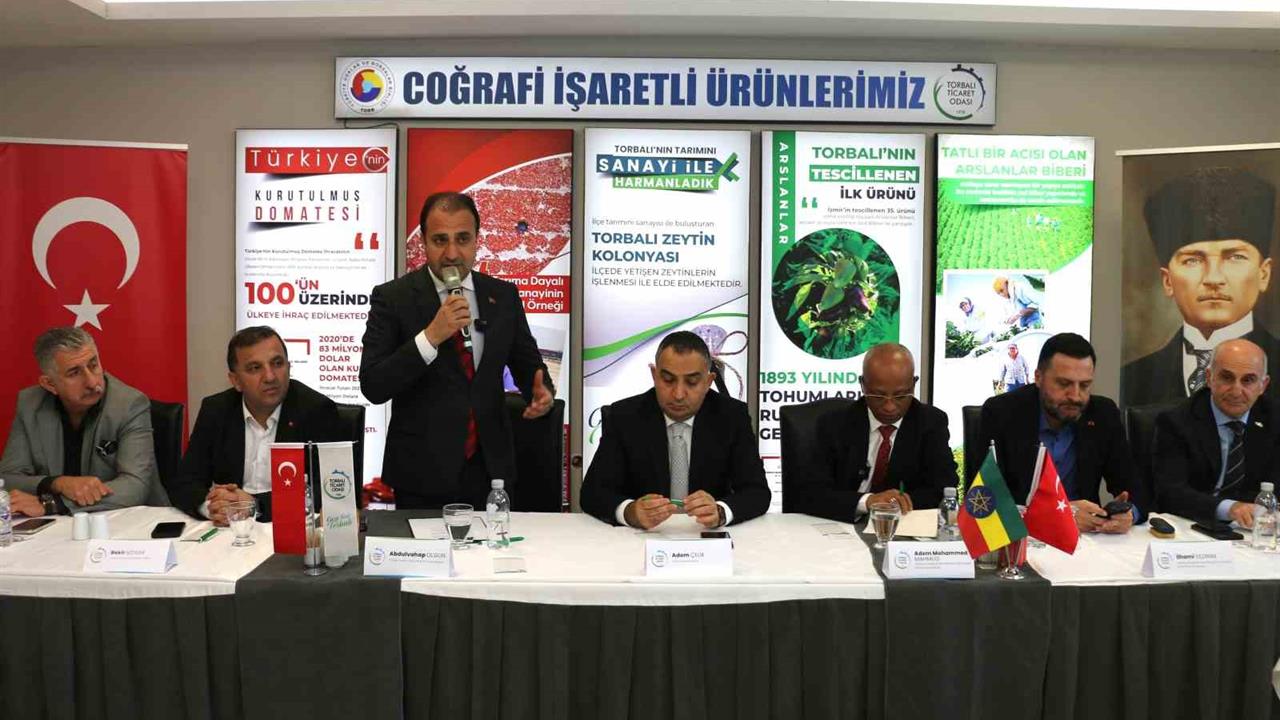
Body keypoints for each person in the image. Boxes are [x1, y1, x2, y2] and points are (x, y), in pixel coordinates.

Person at [360, 191, 554, 509]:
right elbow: (373, 385)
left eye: (462, 239)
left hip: (491, 472)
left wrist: (541, 391)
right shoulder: (393, 298)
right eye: (440, 240)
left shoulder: (503, 296)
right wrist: (430, 337)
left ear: (477, 239)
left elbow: (529, 366)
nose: (452, 253)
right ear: (423, 242)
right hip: (421, 475)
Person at [1121, 167, 1278, 407]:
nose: (1213, 278)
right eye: (1192, 260)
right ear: (1167, 280)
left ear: (1263, 274)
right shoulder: (1135, 379)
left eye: (1234, 257)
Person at [580, 331, 770, 529]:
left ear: (708, 382)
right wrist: (630, 512)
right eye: (668, 380)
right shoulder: (625, 416)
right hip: (643, 538)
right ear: (654, 376)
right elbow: (592, 493)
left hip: (705, 536)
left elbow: (757, 492)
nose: (678, 394)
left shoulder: (732, 417)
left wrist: (721, 512)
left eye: (692, 382)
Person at [970, 333, 1143, 533]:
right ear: (1038, 378)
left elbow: (1134, 487)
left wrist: (1128, 513)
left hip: (1087, 538)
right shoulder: (1002, 413)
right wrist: (1058, 514)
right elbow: (982, 500)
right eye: (1064, 384)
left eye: (1084, 385)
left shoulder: (1103, 414)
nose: (1075, 396)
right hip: (1023, 538)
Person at [169, 326, 344, 524]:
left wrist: (255, 506)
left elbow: (331, 489)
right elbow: (184, 482)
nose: (270, 377)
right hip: (230, 528)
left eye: (277, 363)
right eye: (255, 368)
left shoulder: (317, 410)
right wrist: (212, 507)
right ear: (236, 380)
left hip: (288, 526)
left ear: (289, 367)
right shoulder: (216, 410)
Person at [0, 327, 166, 516]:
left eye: (93, 365)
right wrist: (56, 483)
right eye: (74, 373)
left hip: (130, 520)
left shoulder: (129, 404)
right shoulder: (30, 405)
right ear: (50, 384)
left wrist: (52, 504)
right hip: (60, 526)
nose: (92, 382)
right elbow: (7, 478)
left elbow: (135, 487)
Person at [788, 343, 956, 523]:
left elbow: (944, 490)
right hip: (841, 524)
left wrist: (896, 503)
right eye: (878, 396)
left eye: (900, 396)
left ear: (913, 384)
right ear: (863, 384)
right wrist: (867, 501)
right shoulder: (833, 424)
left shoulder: (930, 423)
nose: (889, 407)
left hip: (902, 527)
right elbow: (810, 492)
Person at [1152, 338, 1279, 526]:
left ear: (1263, 385)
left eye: (1248, 380)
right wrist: (1230, 508)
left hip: (1254, 528)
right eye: (1227, 378)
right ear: (1209, 377)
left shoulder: (1274, 420)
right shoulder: (1177, 421)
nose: (1236, 391)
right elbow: (1170, 492)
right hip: (1191, 525)